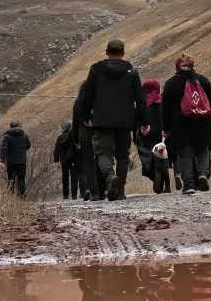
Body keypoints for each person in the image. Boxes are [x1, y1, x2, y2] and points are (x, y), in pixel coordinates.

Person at [80, 39, 148, 201]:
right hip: (125, 120)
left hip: (102, 118)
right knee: (123, 154)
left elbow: (87, 95)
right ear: (123, 53)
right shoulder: (132, 71)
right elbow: (140, 98)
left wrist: (85, 116)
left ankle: (110, 177)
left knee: (103, 152)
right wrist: (144, 121)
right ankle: (120, 191)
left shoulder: (96, 70)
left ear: (106, 51)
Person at [161, 54, 211, 195]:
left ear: (177, 67)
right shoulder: (202, 80)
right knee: (202, 150)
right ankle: (202, 175)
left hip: (180, 123)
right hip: (203, 121)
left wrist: (165, 127)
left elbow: (165, 108)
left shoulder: (171, 83)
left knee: (185, 153)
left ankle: (188, 184)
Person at [70, 81, 104, 201]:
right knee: (100, 161)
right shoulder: (98, 101)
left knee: (88, 165)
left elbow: (75, 125)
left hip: (84, 137)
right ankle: (102, 189)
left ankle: (94, 191)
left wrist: (76, 140)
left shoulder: (78, 104)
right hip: (98, 134)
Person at [136, 78, 171, 194]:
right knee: (162, 157)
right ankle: (167, 185)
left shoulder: (143, 103)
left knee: (148, 156)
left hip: (146, 135)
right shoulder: (163, 102)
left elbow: (137, 119)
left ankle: (154, 175)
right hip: (161, 134)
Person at [0, 121, 31, 196]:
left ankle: (11, 198)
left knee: (11, 180)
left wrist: (2, 161)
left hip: (11, 162)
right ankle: (22, 197)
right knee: (21, 180)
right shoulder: (24, 135)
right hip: (22, 162)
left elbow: (4, 149)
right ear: (18, 126)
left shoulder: (7, 136)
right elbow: (28, 146)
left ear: (10, 127)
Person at [52, 124, 79, 200]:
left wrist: (56, 160)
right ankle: (74, 195)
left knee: (65, 177)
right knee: (74, 177)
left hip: (64, 160)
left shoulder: (60, 137)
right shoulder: (74, 136)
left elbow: (56, 149)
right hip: (73, 159)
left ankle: (65, 195)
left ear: (63, 128)